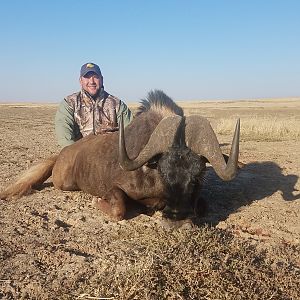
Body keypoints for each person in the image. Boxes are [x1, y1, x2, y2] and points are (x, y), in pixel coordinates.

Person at [55, 62, 133, 148]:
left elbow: (131, 133)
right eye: (87, 77)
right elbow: (64, 137)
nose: (91, 81)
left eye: (95, 77)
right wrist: (73, 156)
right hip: (80, 156)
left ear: (102, 79)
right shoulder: (69, 103)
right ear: (80, 81)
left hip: (111, 155)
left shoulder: (117, 104)